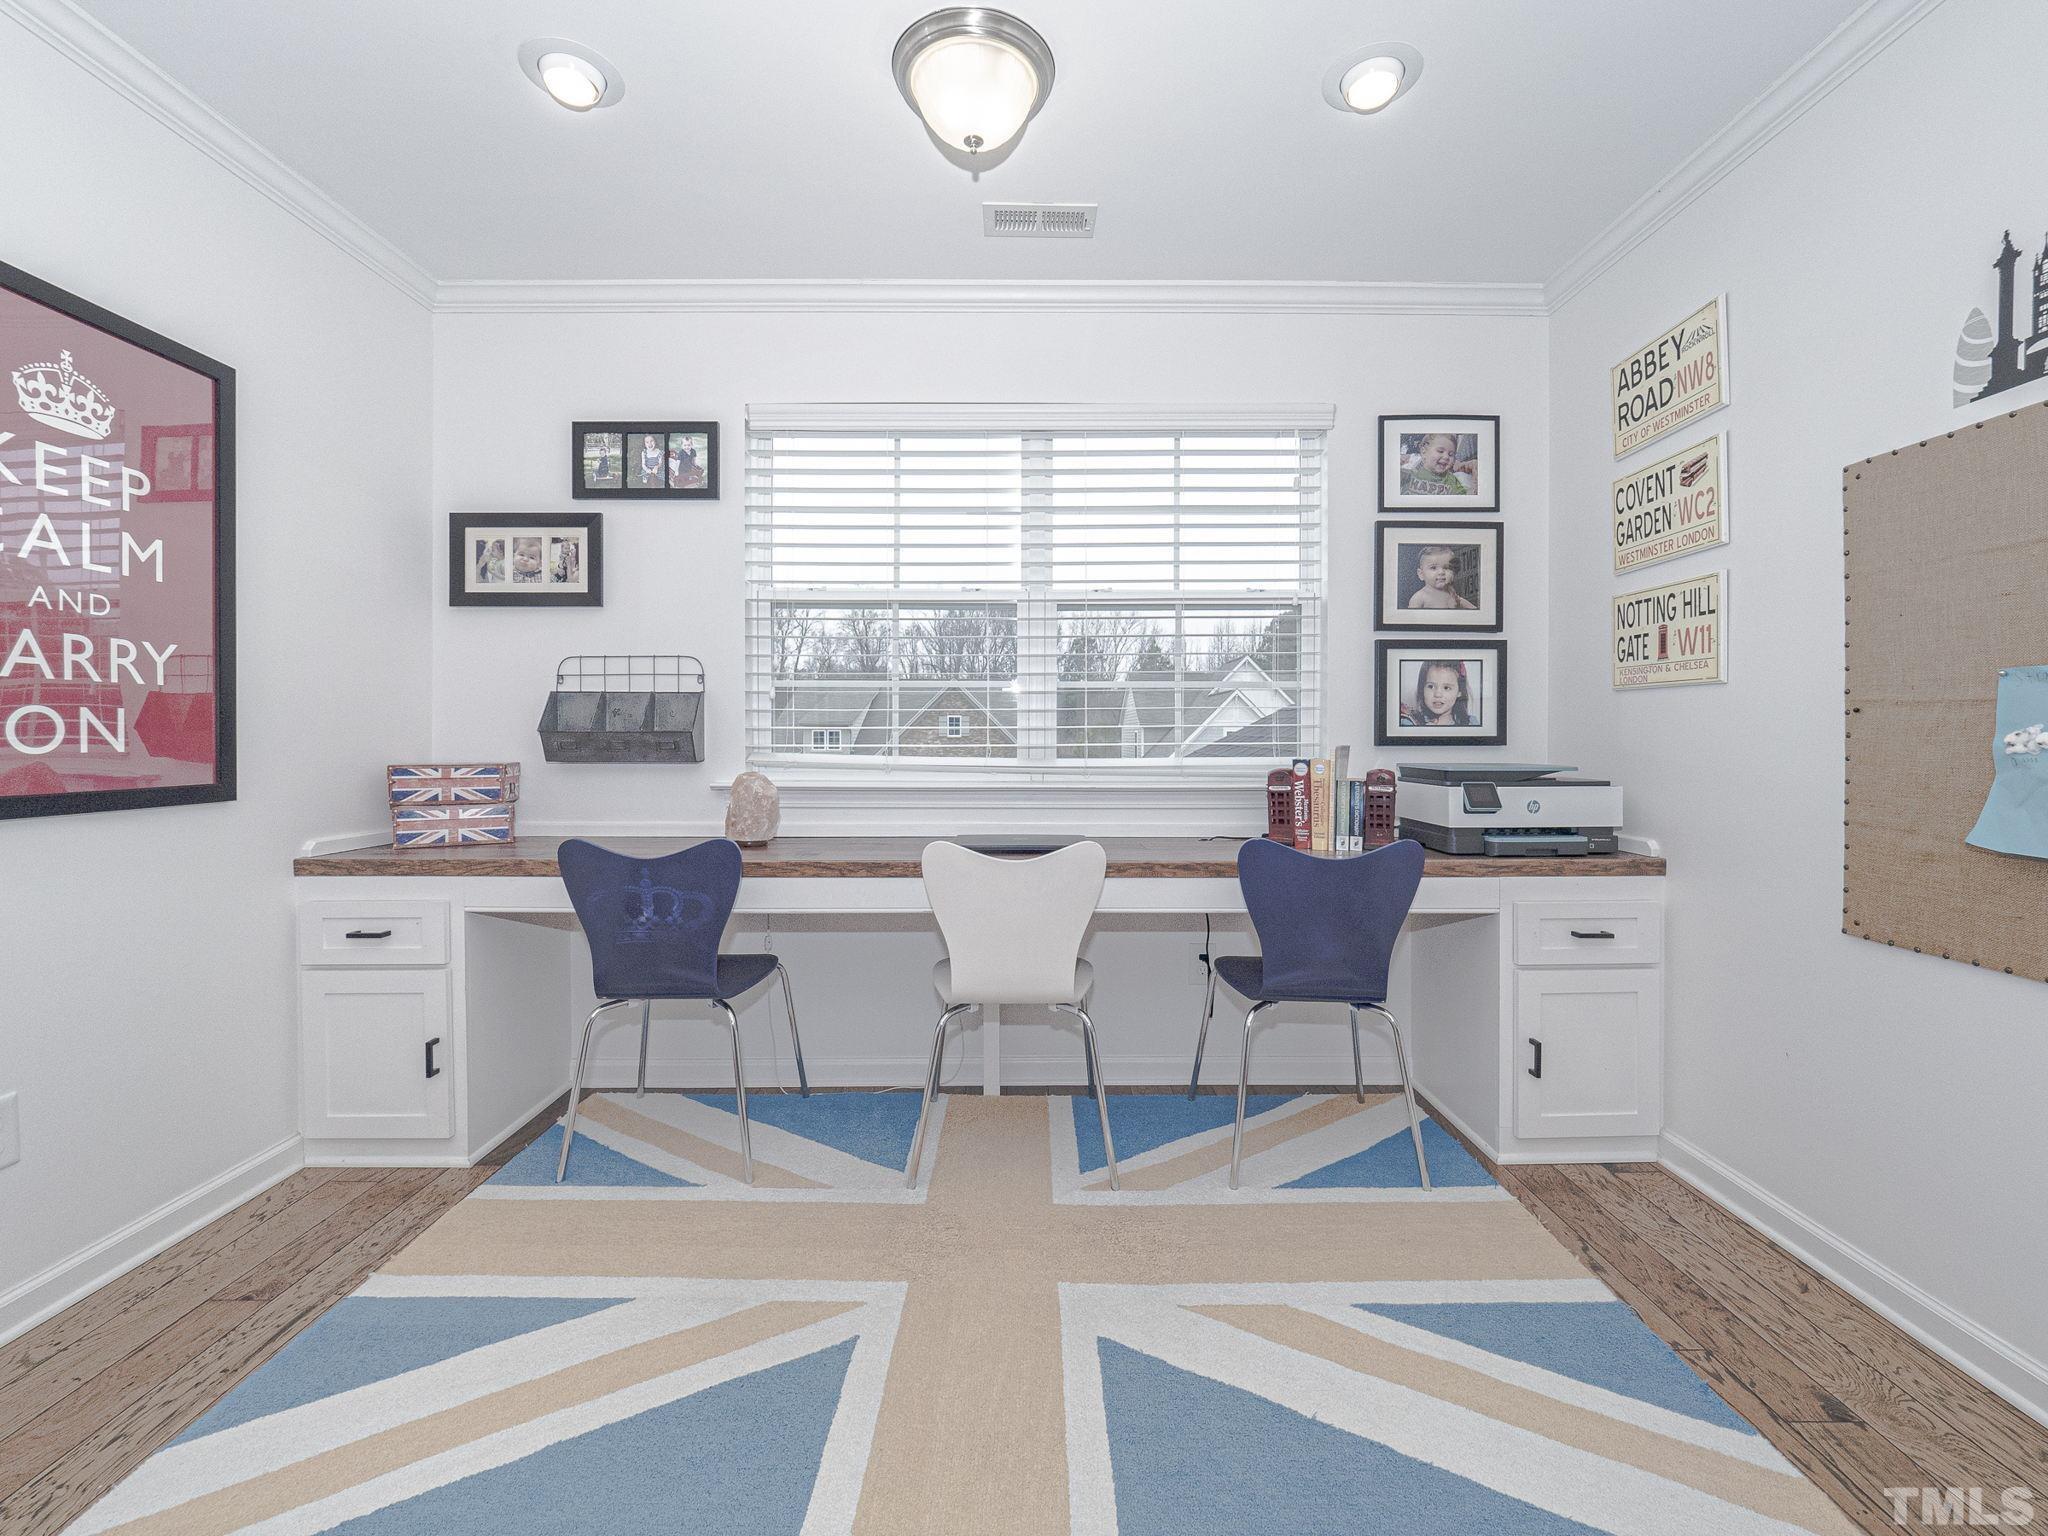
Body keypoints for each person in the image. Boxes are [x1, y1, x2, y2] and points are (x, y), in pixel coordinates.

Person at [1403, 660, 1474, 728]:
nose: (1437, 694)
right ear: (1422, 689)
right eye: (1431, 686)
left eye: (1446, 688)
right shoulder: (1410, 722)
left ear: (1459, 691)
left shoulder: (1471, 723)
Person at [1400, 433, 1475, 497]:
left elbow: (1464, 498)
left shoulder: (1452, 480)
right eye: (1440, 451)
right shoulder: (1412, 470)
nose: (1446, 457)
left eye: (1451, 454)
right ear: (1424, 452)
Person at [1406, 545, 1477, 609]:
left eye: (1446, 568)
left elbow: (1474, 610)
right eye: (1433, 568)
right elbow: (1411, 617)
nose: (1441, 572)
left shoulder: (1452, 594)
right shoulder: (1419, 598)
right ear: (1421, 574)